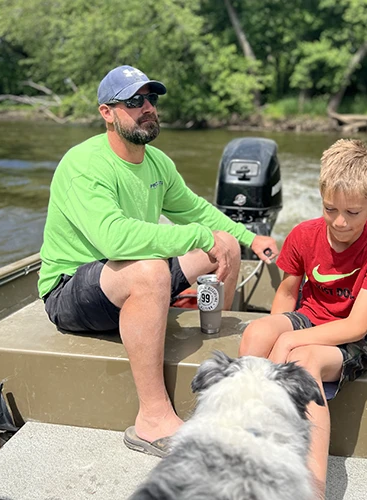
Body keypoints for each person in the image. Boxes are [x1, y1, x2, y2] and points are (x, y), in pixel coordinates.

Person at [38, 65, 279, 457]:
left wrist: (251, 238)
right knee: (151, 269)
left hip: (124, 278)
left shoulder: (156, 162)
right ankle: (152, 420)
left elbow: (197, 211)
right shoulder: (84, 164)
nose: (147, 107)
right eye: (134, 101)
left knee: (226, 247)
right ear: (107, 113)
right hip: (71, 290)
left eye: (151, 99)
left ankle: (217, 350)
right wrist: (199, 237)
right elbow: (114, 239)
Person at [239, 138, 367, 497]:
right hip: (310, 316)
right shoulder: (303, 234)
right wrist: (280, 330)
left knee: (302, 359)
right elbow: (285, 293)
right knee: (256, 333)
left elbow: (358, 326)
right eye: (330, 209)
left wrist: (290, 341)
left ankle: (313, 486)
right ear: (321, 197)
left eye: (353, 212)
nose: (340, 222)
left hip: (356, 337)